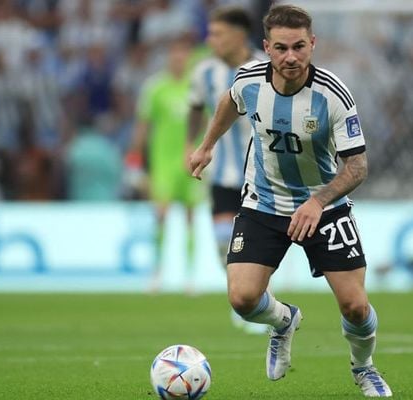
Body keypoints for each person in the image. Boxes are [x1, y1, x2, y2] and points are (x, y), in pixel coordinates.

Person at [189, 4, 392, 398]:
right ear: (266, 47)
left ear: (312, 43)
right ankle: (283, 321)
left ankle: (364, 368)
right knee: (242, 299)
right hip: (264, 203)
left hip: (325, 208)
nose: (291, 57)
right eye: (281, 48)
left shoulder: (333, 95)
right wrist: (206, 145)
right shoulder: (249, 80)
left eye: (299, 46)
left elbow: (357, 168)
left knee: (355, 307)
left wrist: (318, 201)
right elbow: (229, 102)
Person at [187, 6, 267, 334]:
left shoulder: (266, 66)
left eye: (217, 34)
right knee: (225, 240)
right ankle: (243, 298)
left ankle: (259, 296)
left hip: (263, 173)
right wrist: (190, 145)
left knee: (260, 243)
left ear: (239, 35)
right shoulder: (203, 72)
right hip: (222, 171)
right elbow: (194, 108)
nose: (211, 40)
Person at [127, 37, 202, 292]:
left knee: (191, 217)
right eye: (175, 54)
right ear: (169, 57)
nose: (179, 59)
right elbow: (142, 127)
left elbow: (209, 121)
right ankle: (157, 272)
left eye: (183, 54)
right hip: (163, 164)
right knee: (161, 216)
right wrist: (135, 164)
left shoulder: (197, 87)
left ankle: (190, 277)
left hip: (191, 163)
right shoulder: (155, 88)